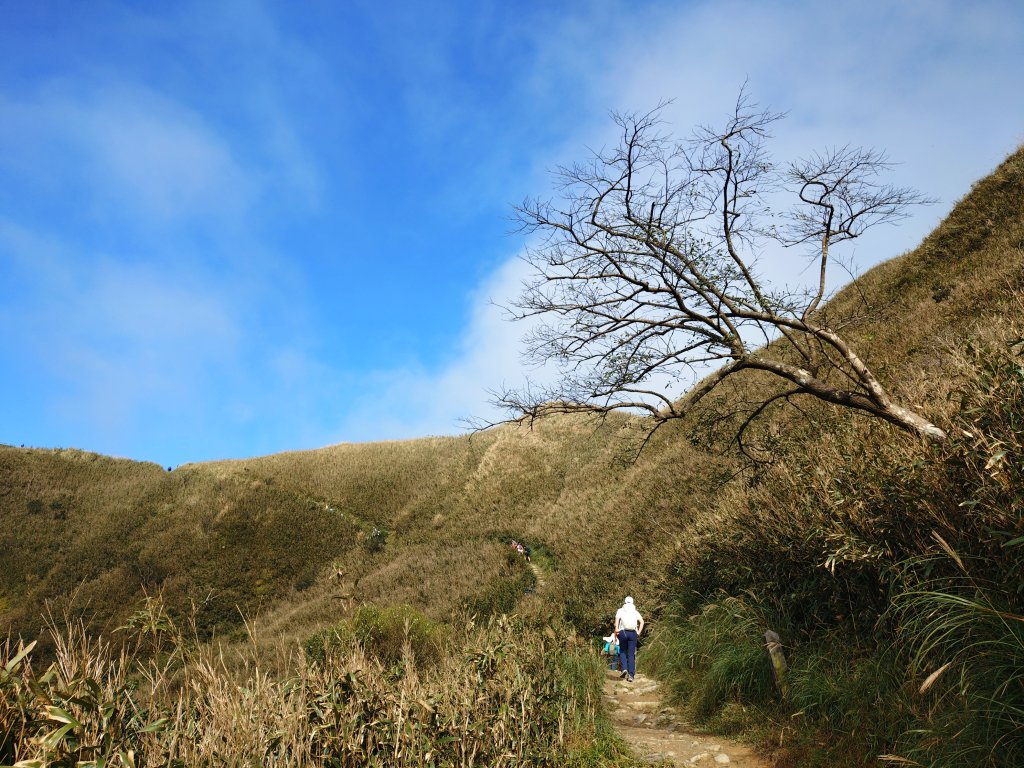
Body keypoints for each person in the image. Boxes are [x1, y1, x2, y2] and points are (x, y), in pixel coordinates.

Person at [614, 596, 644, 682]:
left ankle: (624, 669)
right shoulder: (635, 612)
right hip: (633, 633)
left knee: (623, 651)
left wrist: (616, 630)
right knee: (631, 654)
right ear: (632, 602)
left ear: (625, 602)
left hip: (623, 632)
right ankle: (631, 675)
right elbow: (642, 621)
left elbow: (617, 621)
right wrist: (638, 632)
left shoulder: (620, 610)